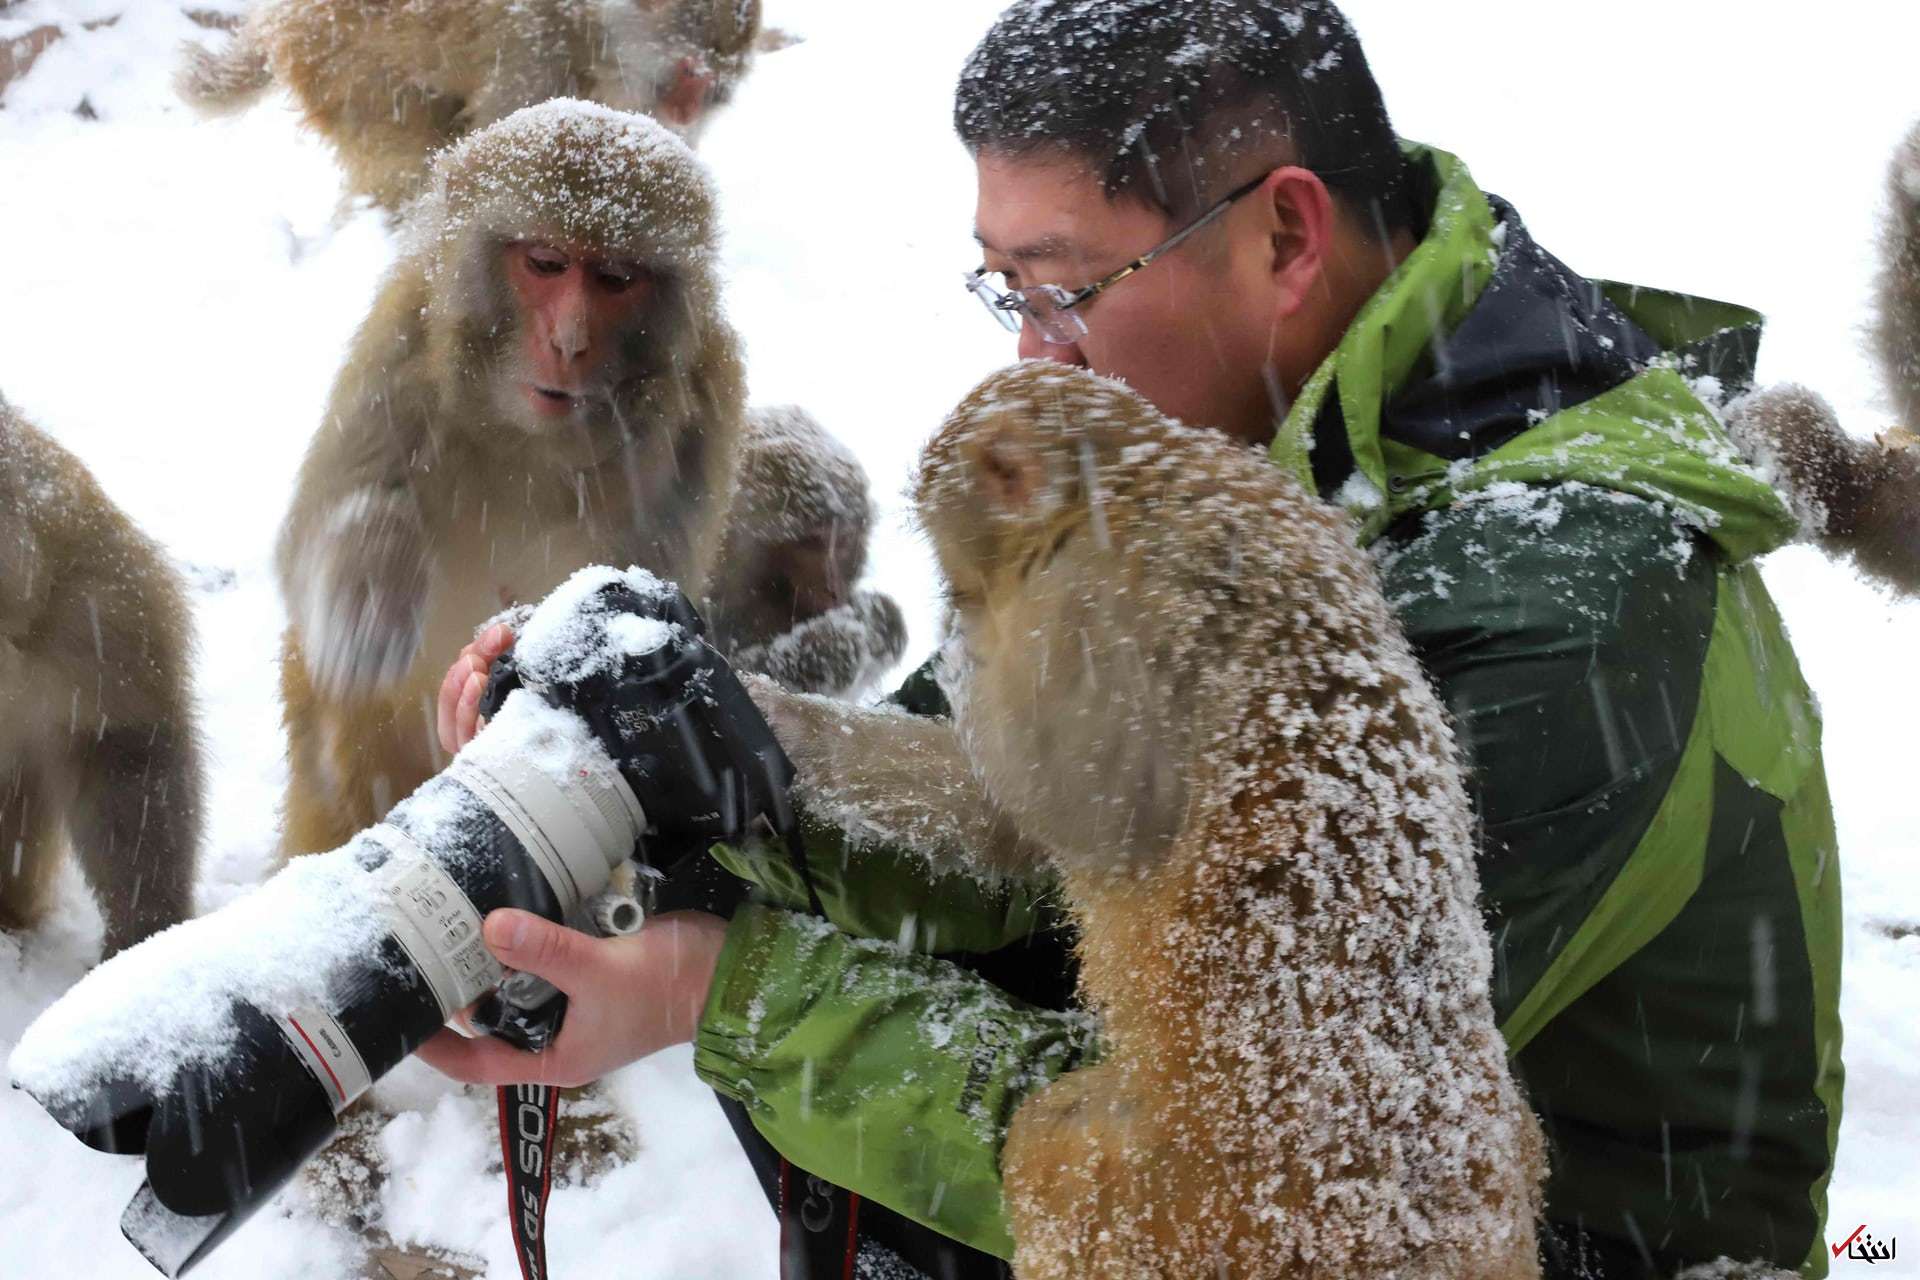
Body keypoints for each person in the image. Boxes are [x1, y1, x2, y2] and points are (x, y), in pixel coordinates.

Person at [420, 3, 1844, 1276]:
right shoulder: (1201, 446)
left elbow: (1236, 1189)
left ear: (1285, 235)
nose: (1032, 356)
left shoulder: (1559, 621)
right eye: (1004, 290)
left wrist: (715, 993)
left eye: (1067, 287)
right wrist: (696, 742)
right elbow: (997, 801)